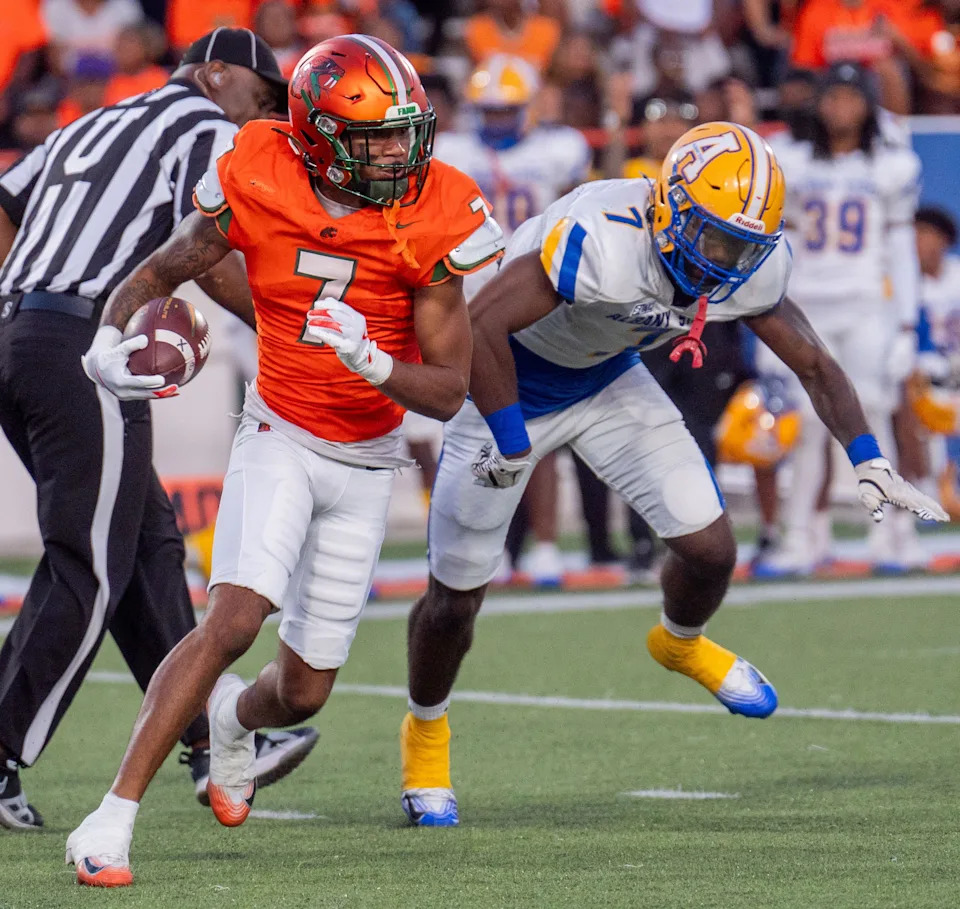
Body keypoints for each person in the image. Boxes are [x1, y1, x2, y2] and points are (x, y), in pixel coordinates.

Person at [397, 120, 948, 827]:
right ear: (671, 206)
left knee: (712, 548)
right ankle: (426, 735)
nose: (723, 261)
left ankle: (679, 641)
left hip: (605, 380)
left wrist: (869, 458)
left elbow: (813, 360)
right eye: (716, 237)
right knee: (453, 599)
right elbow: (479, 327)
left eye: (743, 247)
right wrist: (509, 440)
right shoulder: (602, 234)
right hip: (504, 386)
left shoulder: (745, 261)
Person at [66, 34, 504, 886]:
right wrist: (107, 338)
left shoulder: (437, 208)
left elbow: (451, 390)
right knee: (233, 618)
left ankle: (232, 721)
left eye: (401, 132)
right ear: (314, 133)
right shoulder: (259, 169)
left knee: (302, 692)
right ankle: (111, 816)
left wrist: (376, 363)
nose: (394, 151)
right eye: (372, 136)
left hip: (372, 458)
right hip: (282, 430)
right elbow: (160, 269)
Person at [0, 28, 317, 833]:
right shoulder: (206, 127)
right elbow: (200, 249)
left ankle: (210, 734)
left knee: (147, 544)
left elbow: (6, 205)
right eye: (263, 96)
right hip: (85, 343)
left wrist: (24, 297)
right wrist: (290, 330)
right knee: (92, 563)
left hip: (25, 331)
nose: (266, 116)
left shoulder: (93, 120)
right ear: (217, 73)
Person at [754, 62, 924, 575]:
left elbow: (901, 248)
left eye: (852, 99)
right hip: (809, 305)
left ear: (868, 105)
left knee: (873, 411)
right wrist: (769, 314)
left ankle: (895, 532)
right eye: (833, 98)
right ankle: (803, 535)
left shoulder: (890, 164)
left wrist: (907, 325)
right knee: (807, 424)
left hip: (867, 302)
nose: (841, 109)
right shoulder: (795, 161)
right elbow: (781, 245)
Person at [435, 53, 591, 585]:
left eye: (506, 112)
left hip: (534, 297)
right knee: (466, 430)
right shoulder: (454, 151)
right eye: (489, 111)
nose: (497, 121)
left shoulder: (556, 151)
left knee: (534, 426)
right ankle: (483, 544)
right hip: (465, 298)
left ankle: (544, 543)